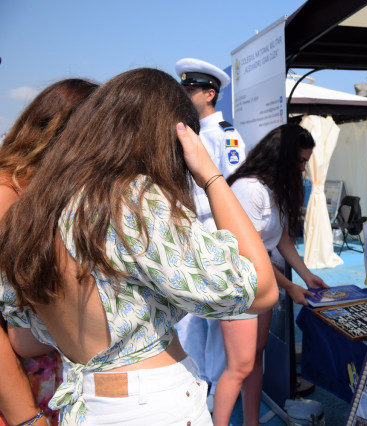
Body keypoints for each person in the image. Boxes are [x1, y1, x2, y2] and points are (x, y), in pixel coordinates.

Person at [0, 68, 277, 424]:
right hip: (152, 403)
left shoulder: (32, 209)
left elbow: (25, 339)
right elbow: (261, 289)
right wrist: (210, 176)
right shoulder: (128, 200)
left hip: (90, 404)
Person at [0, 78, 98, 426]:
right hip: (19, 394)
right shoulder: (6, 196)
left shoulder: (47, 194)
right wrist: (26, 416)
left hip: (50, 383)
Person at [218, 123, 329, 426]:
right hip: (239, 286)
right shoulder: (248, 189)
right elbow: (252, 253)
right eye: (301, 161)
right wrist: (290, 286)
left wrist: (306, 276)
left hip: (261, 282)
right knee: (238, 367)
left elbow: (280, 238)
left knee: (256, 358)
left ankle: (250, 422)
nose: (303, 168)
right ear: (283, 156)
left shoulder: (273, 187)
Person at [174, 58, 247, 404]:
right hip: (188, 229)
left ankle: (217, 387)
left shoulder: (225, 135)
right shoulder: (185, 131)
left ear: (210, 94)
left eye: (191, 90)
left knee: (219, 314)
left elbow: (234, 187)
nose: (185, 95)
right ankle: (194, 380)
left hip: (213, 227)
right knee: (189, 312)